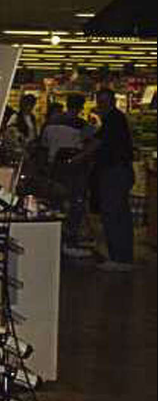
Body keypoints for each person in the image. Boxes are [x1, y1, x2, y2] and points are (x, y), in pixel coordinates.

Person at [76, 88, 136, 272]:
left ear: (110, 102)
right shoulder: (115, 118)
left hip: (114, 171)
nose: (100, 105)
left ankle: (119, 258)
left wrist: (77, 158)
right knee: (119, 214)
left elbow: (97, 143)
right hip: (120, 170)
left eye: (102, 102)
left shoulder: (113, 120)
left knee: (113, 213)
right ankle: (123, 256)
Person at [41, 94, 94, 258]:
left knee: (55, 202)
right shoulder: (83, 125)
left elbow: (44, 144)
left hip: (54, 168)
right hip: (75, 168)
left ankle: (54, 237)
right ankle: (70, 239)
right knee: (75, 203)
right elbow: (90, 145)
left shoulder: (50, 123)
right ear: (81, 107)